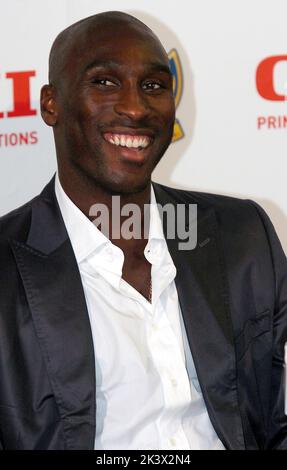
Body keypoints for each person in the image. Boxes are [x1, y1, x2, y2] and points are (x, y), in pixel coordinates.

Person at [0, 11, 286, 451]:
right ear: (50, 104)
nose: (135, 108)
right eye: (105, 83)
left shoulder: (242, 237)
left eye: (154, 85)